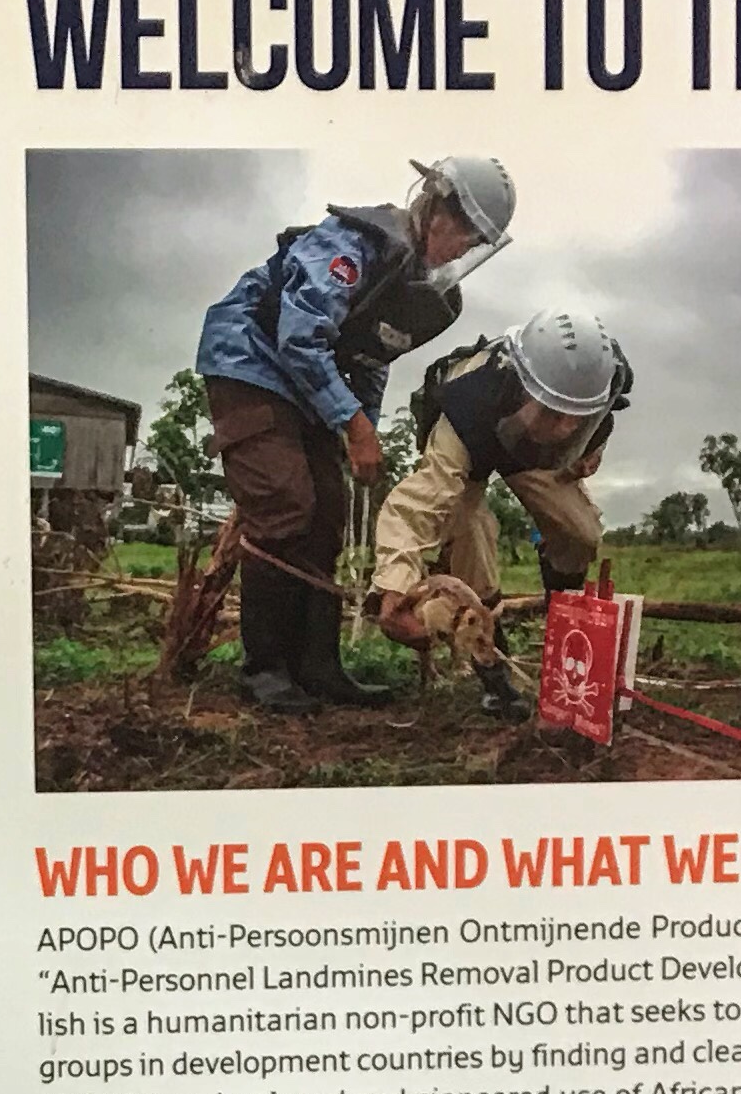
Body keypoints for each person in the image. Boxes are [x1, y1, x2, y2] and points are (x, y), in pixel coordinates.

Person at [194, 155, 516, 715]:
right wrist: (355, 425)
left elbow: (371, 357)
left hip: (305, 386)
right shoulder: (350, 245)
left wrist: (359, 422)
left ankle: (318, 667)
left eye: (478, 241)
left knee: (328, 513)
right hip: (250, 360)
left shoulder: (418, 287)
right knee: (284, 501)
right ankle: (264, 668)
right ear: (435, 205)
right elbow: (299, 336)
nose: (465, 247)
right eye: (464, 229)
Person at [372, 310, 629, 718]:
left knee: (579, 534)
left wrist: (591, 447)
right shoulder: (467, 402)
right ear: (521, 386)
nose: (564, 428)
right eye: (552, 411)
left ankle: (565, 633)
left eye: (575, 417)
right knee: (470, 536)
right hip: (479, 439)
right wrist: (395, 586)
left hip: (536, 455)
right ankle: (496, 678)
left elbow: (602, 419)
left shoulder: (608, 376)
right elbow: (416, 506)